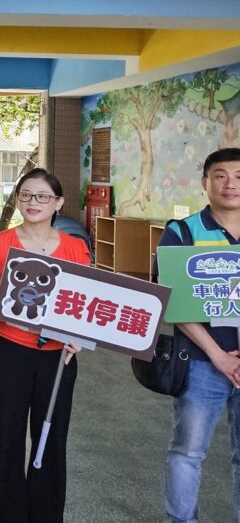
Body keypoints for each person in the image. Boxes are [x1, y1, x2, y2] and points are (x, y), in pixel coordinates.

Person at [0, 168, 89, 523]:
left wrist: (79, 340)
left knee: (51, 437)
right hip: (9, 351)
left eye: (42, 196)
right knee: (7, 435)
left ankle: (45, 513)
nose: (32, 202)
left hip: (59, 357)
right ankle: (7, 513)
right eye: (25, 195)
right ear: (17, 200)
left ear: (58, 202)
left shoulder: (76, 248)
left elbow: (85, 305)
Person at [158, 148, 240, 523]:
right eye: (220, 175)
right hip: (204, 362)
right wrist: (219, 355)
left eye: (238, 176)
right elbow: (174, 300)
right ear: (206, 181)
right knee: (187, 452)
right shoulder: (183, 231)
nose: (230, 184)